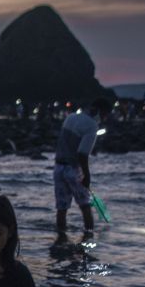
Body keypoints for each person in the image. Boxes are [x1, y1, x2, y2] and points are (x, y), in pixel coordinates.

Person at [52, 98, 109, 232]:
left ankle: (61, 238)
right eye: (106, 114)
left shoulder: (70, 117)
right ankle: (89, 237)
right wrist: (86, 176)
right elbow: (82, 153)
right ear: (101, 112)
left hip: (58, 168)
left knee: (62, 208)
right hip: (73, 170)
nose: (106, 117)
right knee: (85, 206)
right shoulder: (92, 126)